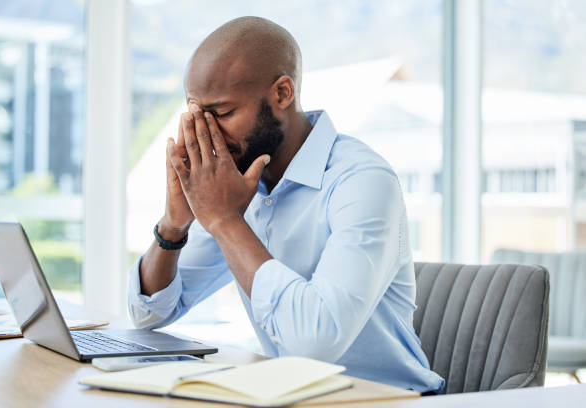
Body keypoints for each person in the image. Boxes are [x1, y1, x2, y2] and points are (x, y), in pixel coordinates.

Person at [128, 16, 444, 393]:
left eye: (224, 113)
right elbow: (149, 313)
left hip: (386, 399)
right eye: (198, 115)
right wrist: (174, 226)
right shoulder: (241, 187)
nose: (208, 135)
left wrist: (226, 221)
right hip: (292, 396)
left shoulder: (362, 181)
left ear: (282, 94)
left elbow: (315, 342)